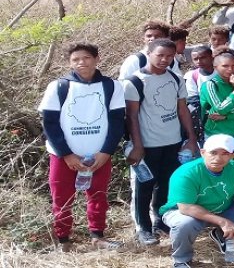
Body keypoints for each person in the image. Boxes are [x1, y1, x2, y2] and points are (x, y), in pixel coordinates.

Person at [39, 43, 126, 251]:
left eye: (86, 58)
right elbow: (49, 123)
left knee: (98, 196)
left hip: (99, 154)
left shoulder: (112, 86)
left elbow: (117, 121)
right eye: (75, 60)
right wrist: (67, 154)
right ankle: (63, 240)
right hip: (63, 156)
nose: (81, 63)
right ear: (69, 63)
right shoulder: (59, 86)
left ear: (97, 59)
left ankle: (98, 236)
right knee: (62, 198)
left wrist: (106, 152)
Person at [160, 135, 234, 268]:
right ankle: (182, 259)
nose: (218, 158)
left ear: (233, 155)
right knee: (184, 224)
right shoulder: (186, 173)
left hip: (222, 208)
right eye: (213, 153)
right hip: (186, 212)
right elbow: (185, 207)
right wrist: (223, 221)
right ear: (202, 153)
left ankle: (222, 235)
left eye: (225, 153)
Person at [124, 38, 199, 246]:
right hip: (148, 145)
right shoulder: (135, 81)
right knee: (144, 186)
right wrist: (137, 146)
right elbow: (131, 116)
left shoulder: (175, 78)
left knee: (166, 185)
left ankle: (161, 222)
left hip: (173, 142)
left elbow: (183, 109)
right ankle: (144, 229)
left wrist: (191, 139)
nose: (165, 59)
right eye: (160, 55)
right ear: (148, 53)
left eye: (169, 56)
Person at [200, 47, 234, 151]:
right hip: (217, 133)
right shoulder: (210, 85)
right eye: (225, 66)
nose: (230, 69)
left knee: (232, 162)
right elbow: (221, 109)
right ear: (215, 67)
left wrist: (226, 117)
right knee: (216, 163)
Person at [183, 45, 214, 146]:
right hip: (204, 115)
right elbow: (193, 99)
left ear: (211, 57)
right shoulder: (192, 75)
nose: (199, 61)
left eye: (203, 58)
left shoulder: (221, 72)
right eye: (195, 59)